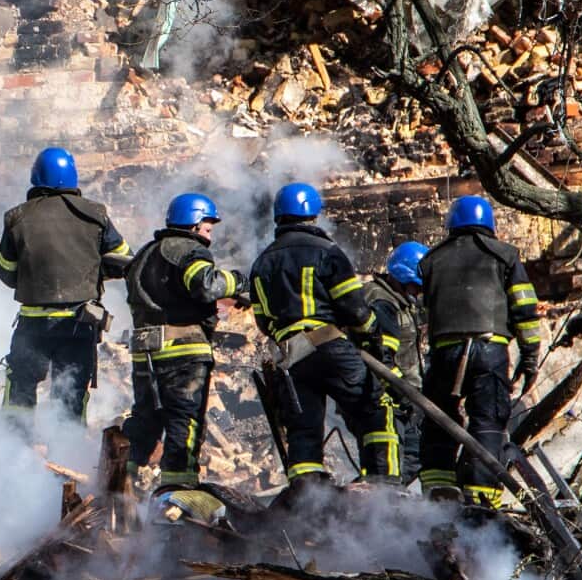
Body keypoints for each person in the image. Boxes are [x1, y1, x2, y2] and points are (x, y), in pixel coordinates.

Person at [248, 182, 400, 486]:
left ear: (279, 217)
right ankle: (384, 486)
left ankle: (307, 496)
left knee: (303, 426)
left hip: (290, 356)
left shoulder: (261, 262)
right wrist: (371, 334)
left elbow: (264, 322)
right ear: (314, 216)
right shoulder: (327, 252)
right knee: (376, 404)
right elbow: (354, 309)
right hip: (328, 345)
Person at [0, 147, 129, 436]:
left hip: (33, 324)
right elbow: (123, 261)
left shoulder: (16, 218)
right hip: (78, 324)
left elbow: (5, 272)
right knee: (71, 392)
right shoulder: (97, 215)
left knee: (21, 386)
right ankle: (67, 456)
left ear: (36, 177)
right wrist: (93, 269)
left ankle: (14, 448)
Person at [418, 196, 541, 507]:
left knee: (438, 418)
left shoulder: (431, 260)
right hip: (489, 350)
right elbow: (525, 311)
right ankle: (481, 497)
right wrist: (529, 359)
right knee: (487, 419)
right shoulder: (506, 256)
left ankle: (437, 491)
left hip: (444, 351)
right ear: (490, 224)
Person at [122, 193, 246, 487]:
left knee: (146, 420)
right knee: (184, 423)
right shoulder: (188, 250)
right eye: (207, 227)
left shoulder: (145, 252)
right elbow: (205, 285)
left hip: (146, 352)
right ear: (192, 223)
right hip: (182, 352)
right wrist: (238, 281)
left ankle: (117, 487)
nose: (210, 235)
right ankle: (177, 497)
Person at [363, 241, 429, 483]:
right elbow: (383, 356)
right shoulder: (381, 301)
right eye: (416, 286)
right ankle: (379, 508)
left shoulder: (399, 300)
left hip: (404, 393)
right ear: (404, 277)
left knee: (412, 456)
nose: (418, 292)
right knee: (392, 464)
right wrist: (403, 394)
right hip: (390, 395)